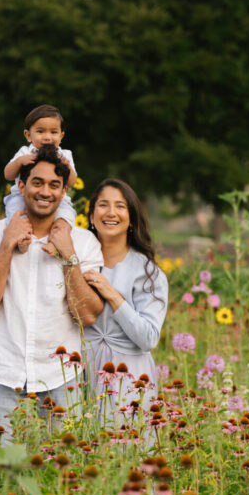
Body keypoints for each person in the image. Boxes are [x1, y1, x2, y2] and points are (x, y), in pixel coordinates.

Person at [0, 144, 104, 443]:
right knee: (3, 466)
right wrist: (7, 244)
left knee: (63, 468)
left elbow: (89, 315)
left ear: (64, 192)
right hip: (5, 368)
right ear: (21, 185)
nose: (46, 192)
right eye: (37, 183)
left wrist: (69, 256)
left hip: (62, 376)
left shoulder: (83, 242)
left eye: (55, 185)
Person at [81, 178, 168, 438]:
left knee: (126, 453)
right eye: (103, 205)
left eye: (120, 206)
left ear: (131, 217)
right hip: (80, 372)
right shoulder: (79, 259)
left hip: (128, 378)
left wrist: (113, 296)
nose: (110, 212)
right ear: (92, 214)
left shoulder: (147, 272)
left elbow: (148, 338)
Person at [2, 105, 78, 229]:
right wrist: (19, 162)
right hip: (21, 196)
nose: (47, 137)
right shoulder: (24, 152)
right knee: (15, 215)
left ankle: (57, 240)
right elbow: (8, 175)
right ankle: (21, 236)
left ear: (61, 136)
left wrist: (67, 165)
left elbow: (71, 183)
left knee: (67, 216)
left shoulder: (65, 155)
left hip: (58, 199)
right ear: (28, 135)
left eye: (53, 132)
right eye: (40, 131)